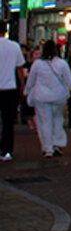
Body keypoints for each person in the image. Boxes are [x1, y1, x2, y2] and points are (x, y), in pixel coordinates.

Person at [24, 42, 71, 158]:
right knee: (57, 120)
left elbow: (31, 80)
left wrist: (26, 92)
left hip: (41, 97)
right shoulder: (62, 63)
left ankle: (47, 147)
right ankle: (56, 143)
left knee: (44, 122)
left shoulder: (38, 64)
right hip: (58, 96)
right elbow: (69, 79)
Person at [0, 20, 26, 161]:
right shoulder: (14, 46)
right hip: (10, 87)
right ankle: (6, 150)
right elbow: (19, 68)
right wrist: (22, 85)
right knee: (8, 121)